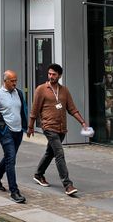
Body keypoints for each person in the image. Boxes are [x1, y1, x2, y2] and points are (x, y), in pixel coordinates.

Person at [28, 63, 88, 197]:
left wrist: (83, 122)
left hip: (61, 128)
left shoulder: (65, 91)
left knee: (50, 152)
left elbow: (72, 109)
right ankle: (68, 185)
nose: (51, 76)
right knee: (59, 153)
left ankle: (38, 174)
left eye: (54, 74)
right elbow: (34, 109)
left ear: (59, 75)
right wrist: (30, 126)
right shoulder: (41, 89)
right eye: (49, 74)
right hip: (48, 127)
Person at [0, 70, 28, 204]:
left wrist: (27, 126)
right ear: (5, 81)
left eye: (16, 80)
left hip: (18, 131)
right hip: (6, 132)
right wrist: (0, 128)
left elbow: (23, 110)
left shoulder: (19, 93)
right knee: (11, 159)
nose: (15, 83)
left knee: (10, 156)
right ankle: (14, 191)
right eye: (12, 81)